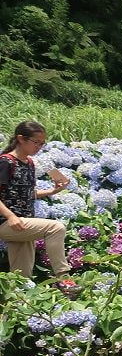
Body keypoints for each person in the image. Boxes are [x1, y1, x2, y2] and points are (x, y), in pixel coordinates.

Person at [0, 121, 74, 286]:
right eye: (36, 142)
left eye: (42, 143)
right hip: (6, 222)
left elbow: (26, 194)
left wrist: (52, 192)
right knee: (56, 227)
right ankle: (64, 279)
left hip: (23, 223)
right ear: (20, 138)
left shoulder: (29, 163)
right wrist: (10, 216)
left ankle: (13, 308)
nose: (39, 147)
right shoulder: (6, 162)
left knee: (21, 279)